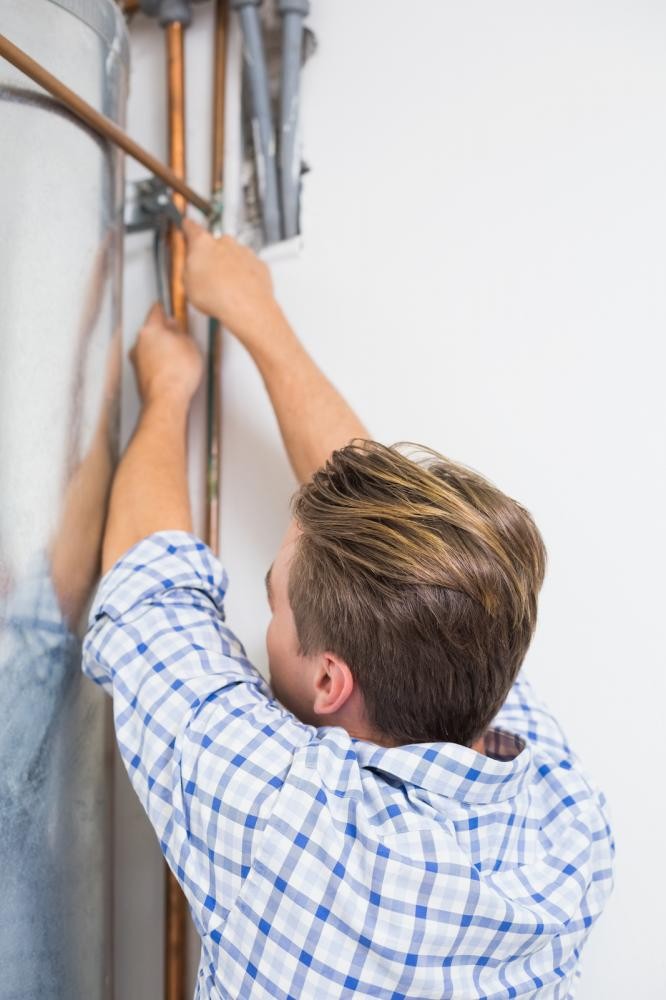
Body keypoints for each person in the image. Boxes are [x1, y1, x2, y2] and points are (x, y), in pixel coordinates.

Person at [83, 220, 614, 999]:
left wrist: (167, 391)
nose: (267, 618)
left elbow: (151, 589)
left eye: (273, 602)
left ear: (331, 681)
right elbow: (412, 558)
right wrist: (255, 311)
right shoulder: (565, 820)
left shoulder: (293, 825)